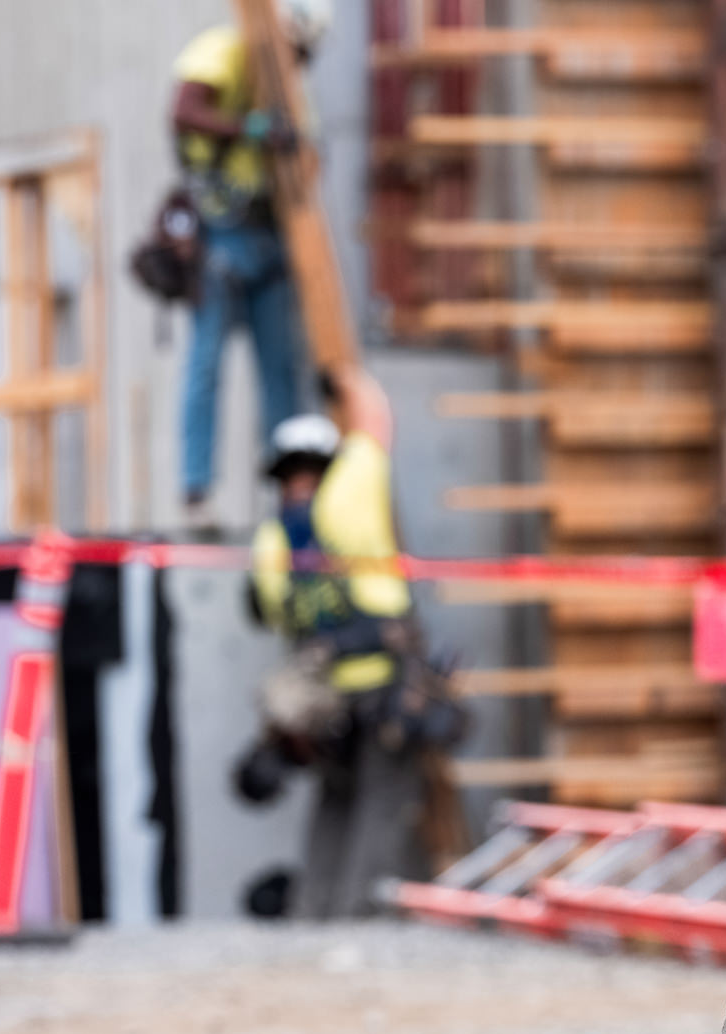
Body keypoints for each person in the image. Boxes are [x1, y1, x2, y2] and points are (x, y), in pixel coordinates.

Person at [234, 369, 464, 918]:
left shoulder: (272, 542)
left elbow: (272, 614)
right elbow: (375, 424)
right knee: (382, 802)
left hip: (323, 705)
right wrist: (348, 381)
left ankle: (314, 913)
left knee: (335, 802)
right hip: (384, 687)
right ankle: (356, 918)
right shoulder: (346, 500)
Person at [169, 0, 333, 527]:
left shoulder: (293, 94)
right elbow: (184, 109)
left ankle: (291, 497)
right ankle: (197, 490)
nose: (298, 61)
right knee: (207, 363)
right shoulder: (224, 53)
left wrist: (295, 148)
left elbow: (310, 159)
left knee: (280, 370)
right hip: (222, 229)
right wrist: (249, 128)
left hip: (270, 233)